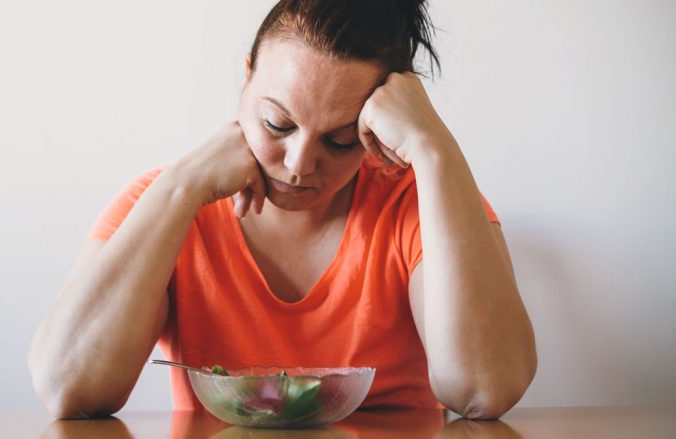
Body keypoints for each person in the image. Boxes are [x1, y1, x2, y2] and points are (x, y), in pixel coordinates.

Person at [28, 0, 537, 420]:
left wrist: (434, 150)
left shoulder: (423, 204)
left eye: (339, 141)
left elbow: (483, 392)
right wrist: (180, 186)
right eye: (277, 124)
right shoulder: (161, 203)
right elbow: (67, 388)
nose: (298, 164)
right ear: (246, 79)